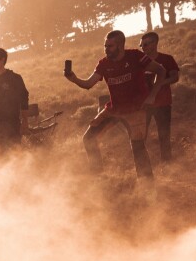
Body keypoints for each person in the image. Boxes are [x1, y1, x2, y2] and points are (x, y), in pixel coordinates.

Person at [65, 30, 166, 179]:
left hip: (136, 110)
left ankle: (147, 185)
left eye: (110, 46)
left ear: (120, 45)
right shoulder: (104, 64)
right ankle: (99, 177)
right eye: (105, 46)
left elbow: (161, 71)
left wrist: (152, 96)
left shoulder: (136, 56)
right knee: (89, 138)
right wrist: (74, 79)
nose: (106, 49)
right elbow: (88, 84)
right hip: (114, 109)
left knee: (137, 146)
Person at [139, 32, 181, 162]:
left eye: (146, 44)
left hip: (162, 104)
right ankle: (142, 165)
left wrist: (160, 83)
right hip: (143, 105)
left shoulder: (167, 59)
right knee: (140, 137)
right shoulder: (139, 62)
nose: (143, 47)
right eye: (141, 45)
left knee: (164, 136)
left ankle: (167, 166)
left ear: (155, 44)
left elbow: (175, 77)